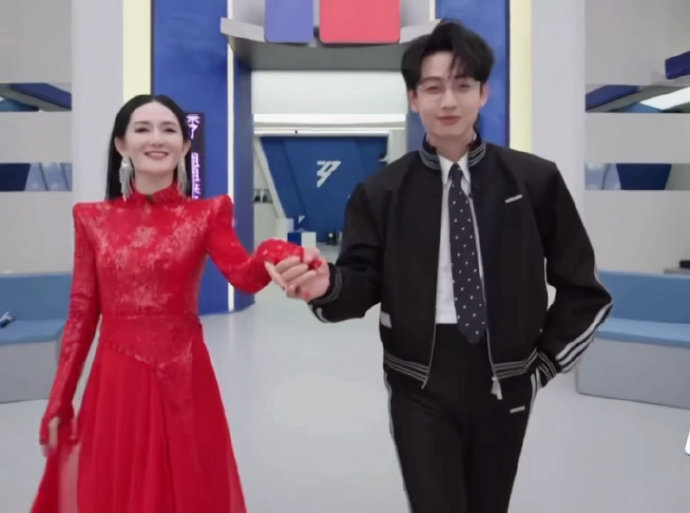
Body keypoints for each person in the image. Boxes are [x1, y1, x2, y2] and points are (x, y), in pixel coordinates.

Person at [266, 20, 613, 513]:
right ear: (414, 99)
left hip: (506, 377)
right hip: (418, 381)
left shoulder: (533, 181)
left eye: (462, 85)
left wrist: (542, 366)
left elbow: (584, 290)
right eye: (432, 88)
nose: (448, 101)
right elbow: (360, 282)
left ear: (483, 93)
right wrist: (328, 285)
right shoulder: (382, 192)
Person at [31, 94, 318, 513]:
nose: (156, 138)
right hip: (116, 383)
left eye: (168, 130)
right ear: (121, 144)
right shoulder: (92, 219)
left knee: (186, 487)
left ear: (184, 146)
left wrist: (273, 251)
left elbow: (243, 275)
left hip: (184, 375)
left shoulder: (207, 214)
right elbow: (81, 314)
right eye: (142, 129)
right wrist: (60, 398)